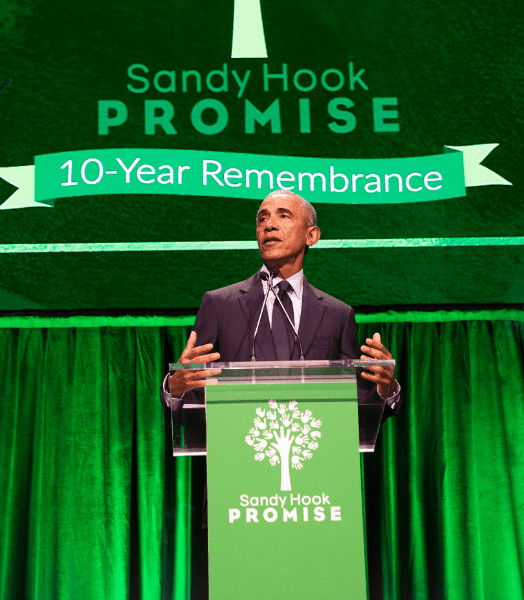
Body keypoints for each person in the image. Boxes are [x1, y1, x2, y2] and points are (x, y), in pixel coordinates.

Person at [160, 189, 402, 600]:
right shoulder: (219, 304)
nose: (268, 224)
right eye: (261, 217)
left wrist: (384, 387)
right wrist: (175, 387)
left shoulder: (338, 313)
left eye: (283, 215)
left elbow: (350, 408)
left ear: (312, 235)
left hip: (315, 496)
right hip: (240, 493)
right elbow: (188, 380)